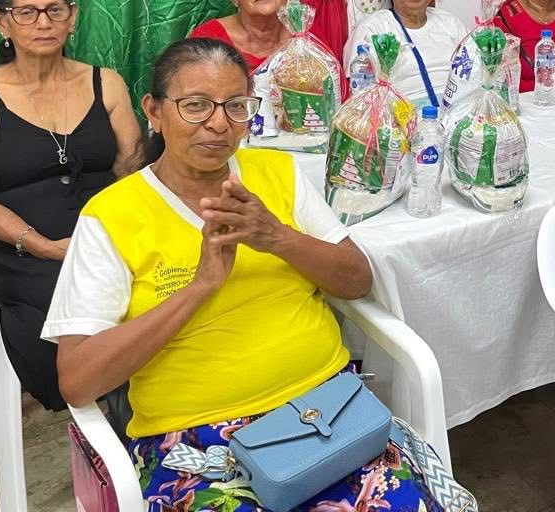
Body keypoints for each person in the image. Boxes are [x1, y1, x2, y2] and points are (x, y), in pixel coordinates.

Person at [42, 39, 446, 511]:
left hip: (329, 411)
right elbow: (78, 380)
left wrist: (276, 237)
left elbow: (357, 281)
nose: (218, 123)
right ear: (154, 111)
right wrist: (200, 287)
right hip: (199, 442)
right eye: (196, 105)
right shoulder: (112, 216)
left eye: (236, 106)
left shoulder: (278, 174)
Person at [0, 0, 142, 410]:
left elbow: (131, 168)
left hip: (106, 235)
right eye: (27, 13)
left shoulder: (105, 82)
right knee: (75, 315)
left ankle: (158, 405)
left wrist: (126, 233)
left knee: (159, 286)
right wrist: (43, 246)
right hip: (23, 252)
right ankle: (113, 416)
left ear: (73, 17)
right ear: (2, 21)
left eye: (54, 10)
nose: (43, 22)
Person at [345, 0, 467, 106]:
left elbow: (474, 72)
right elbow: (360, 95)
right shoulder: (372, 29)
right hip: (399, 115)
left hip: (458, 110)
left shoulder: (450, 23)